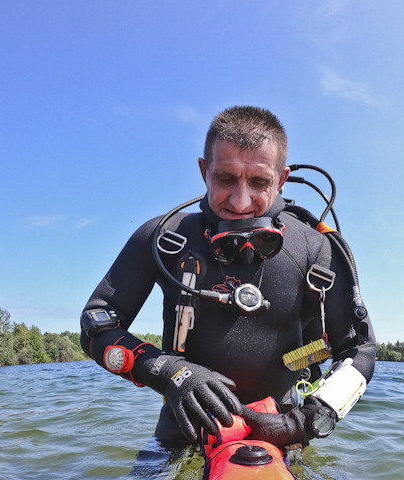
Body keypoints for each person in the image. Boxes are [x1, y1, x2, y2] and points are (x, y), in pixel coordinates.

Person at [80, 106, 376, 449]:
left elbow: (360, 349)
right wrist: (173, 373)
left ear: (281, 180)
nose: (240, 201)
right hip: (183, 432)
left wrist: (304, 422)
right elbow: (96, 323)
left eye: (260, 182)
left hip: (284, 436)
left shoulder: (317, 249)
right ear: (204, 171)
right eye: (226, 179)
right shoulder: (165, 238)